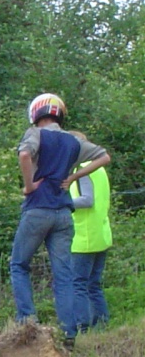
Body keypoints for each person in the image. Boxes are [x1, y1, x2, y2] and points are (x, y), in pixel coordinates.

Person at [10, 94, 111, 350]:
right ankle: (69, 332)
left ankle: (27, 322)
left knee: (19, 265)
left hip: (37, 210)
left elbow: (24, 156)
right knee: (64, 275)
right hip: (63, 213)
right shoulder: (74, 141)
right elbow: (104, 157)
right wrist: (76, 175)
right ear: (59, 114)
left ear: (36, 114)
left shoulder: (35, 134)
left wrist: (29, 185)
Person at [68, 131, 112, 331]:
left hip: (84, 237)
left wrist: (63, 202)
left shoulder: (81, 169)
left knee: (78, 284)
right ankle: (101, 324)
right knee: (93, 285)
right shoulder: (99, 168)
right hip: (101, 235)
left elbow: (87, 200)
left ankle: (82, 327)